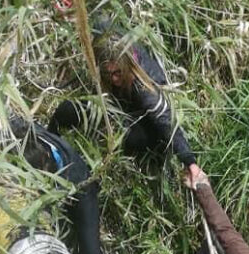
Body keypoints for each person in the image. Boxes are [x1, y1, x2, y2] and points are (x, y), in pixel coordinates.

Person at [48, 22, 196, 168]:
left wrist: (189, 161)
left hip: (143, 121)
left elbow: (165, 121)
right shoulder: (105, 40)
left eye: (118, 73)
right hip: (114, 104)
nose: (113, 79)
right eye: (107, 73)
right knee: (67, 109)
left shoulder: (143, 86)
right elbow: (95, 20)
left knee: (136, 139)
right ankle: (48, 143)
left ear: (128, 65)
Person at [7, 116, 126, 254]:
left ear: (45, 156)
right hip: (61, 198)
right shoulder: (19, 136)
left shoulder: (63, 164)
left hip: (82, 192)